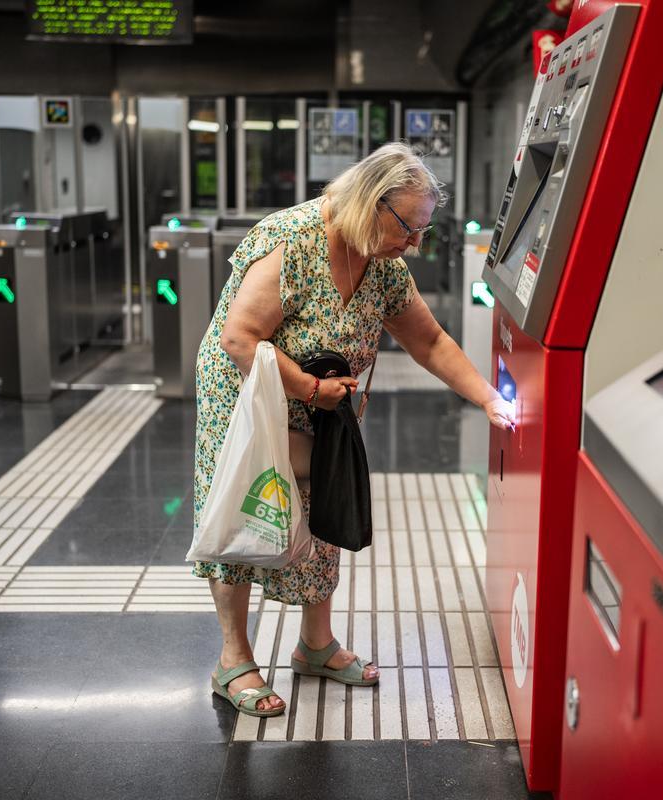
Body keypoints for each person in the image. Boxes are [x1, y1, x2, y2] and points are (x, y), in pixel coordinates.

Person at [193, 142, 515, 716]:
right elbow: (240, 339)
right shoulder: (290, 242)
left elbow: (430, 340)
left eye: (423, 232)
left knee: (325, 514)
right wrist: (311, 390)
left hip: (321, 409)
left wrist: (488, 398)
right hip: (246, 397)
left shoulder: (383, 263)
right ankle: (232, 659)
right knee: (246, 513)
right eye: (409, 228)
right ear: (371, 202)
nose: (415, 245)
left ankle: (315, 647)